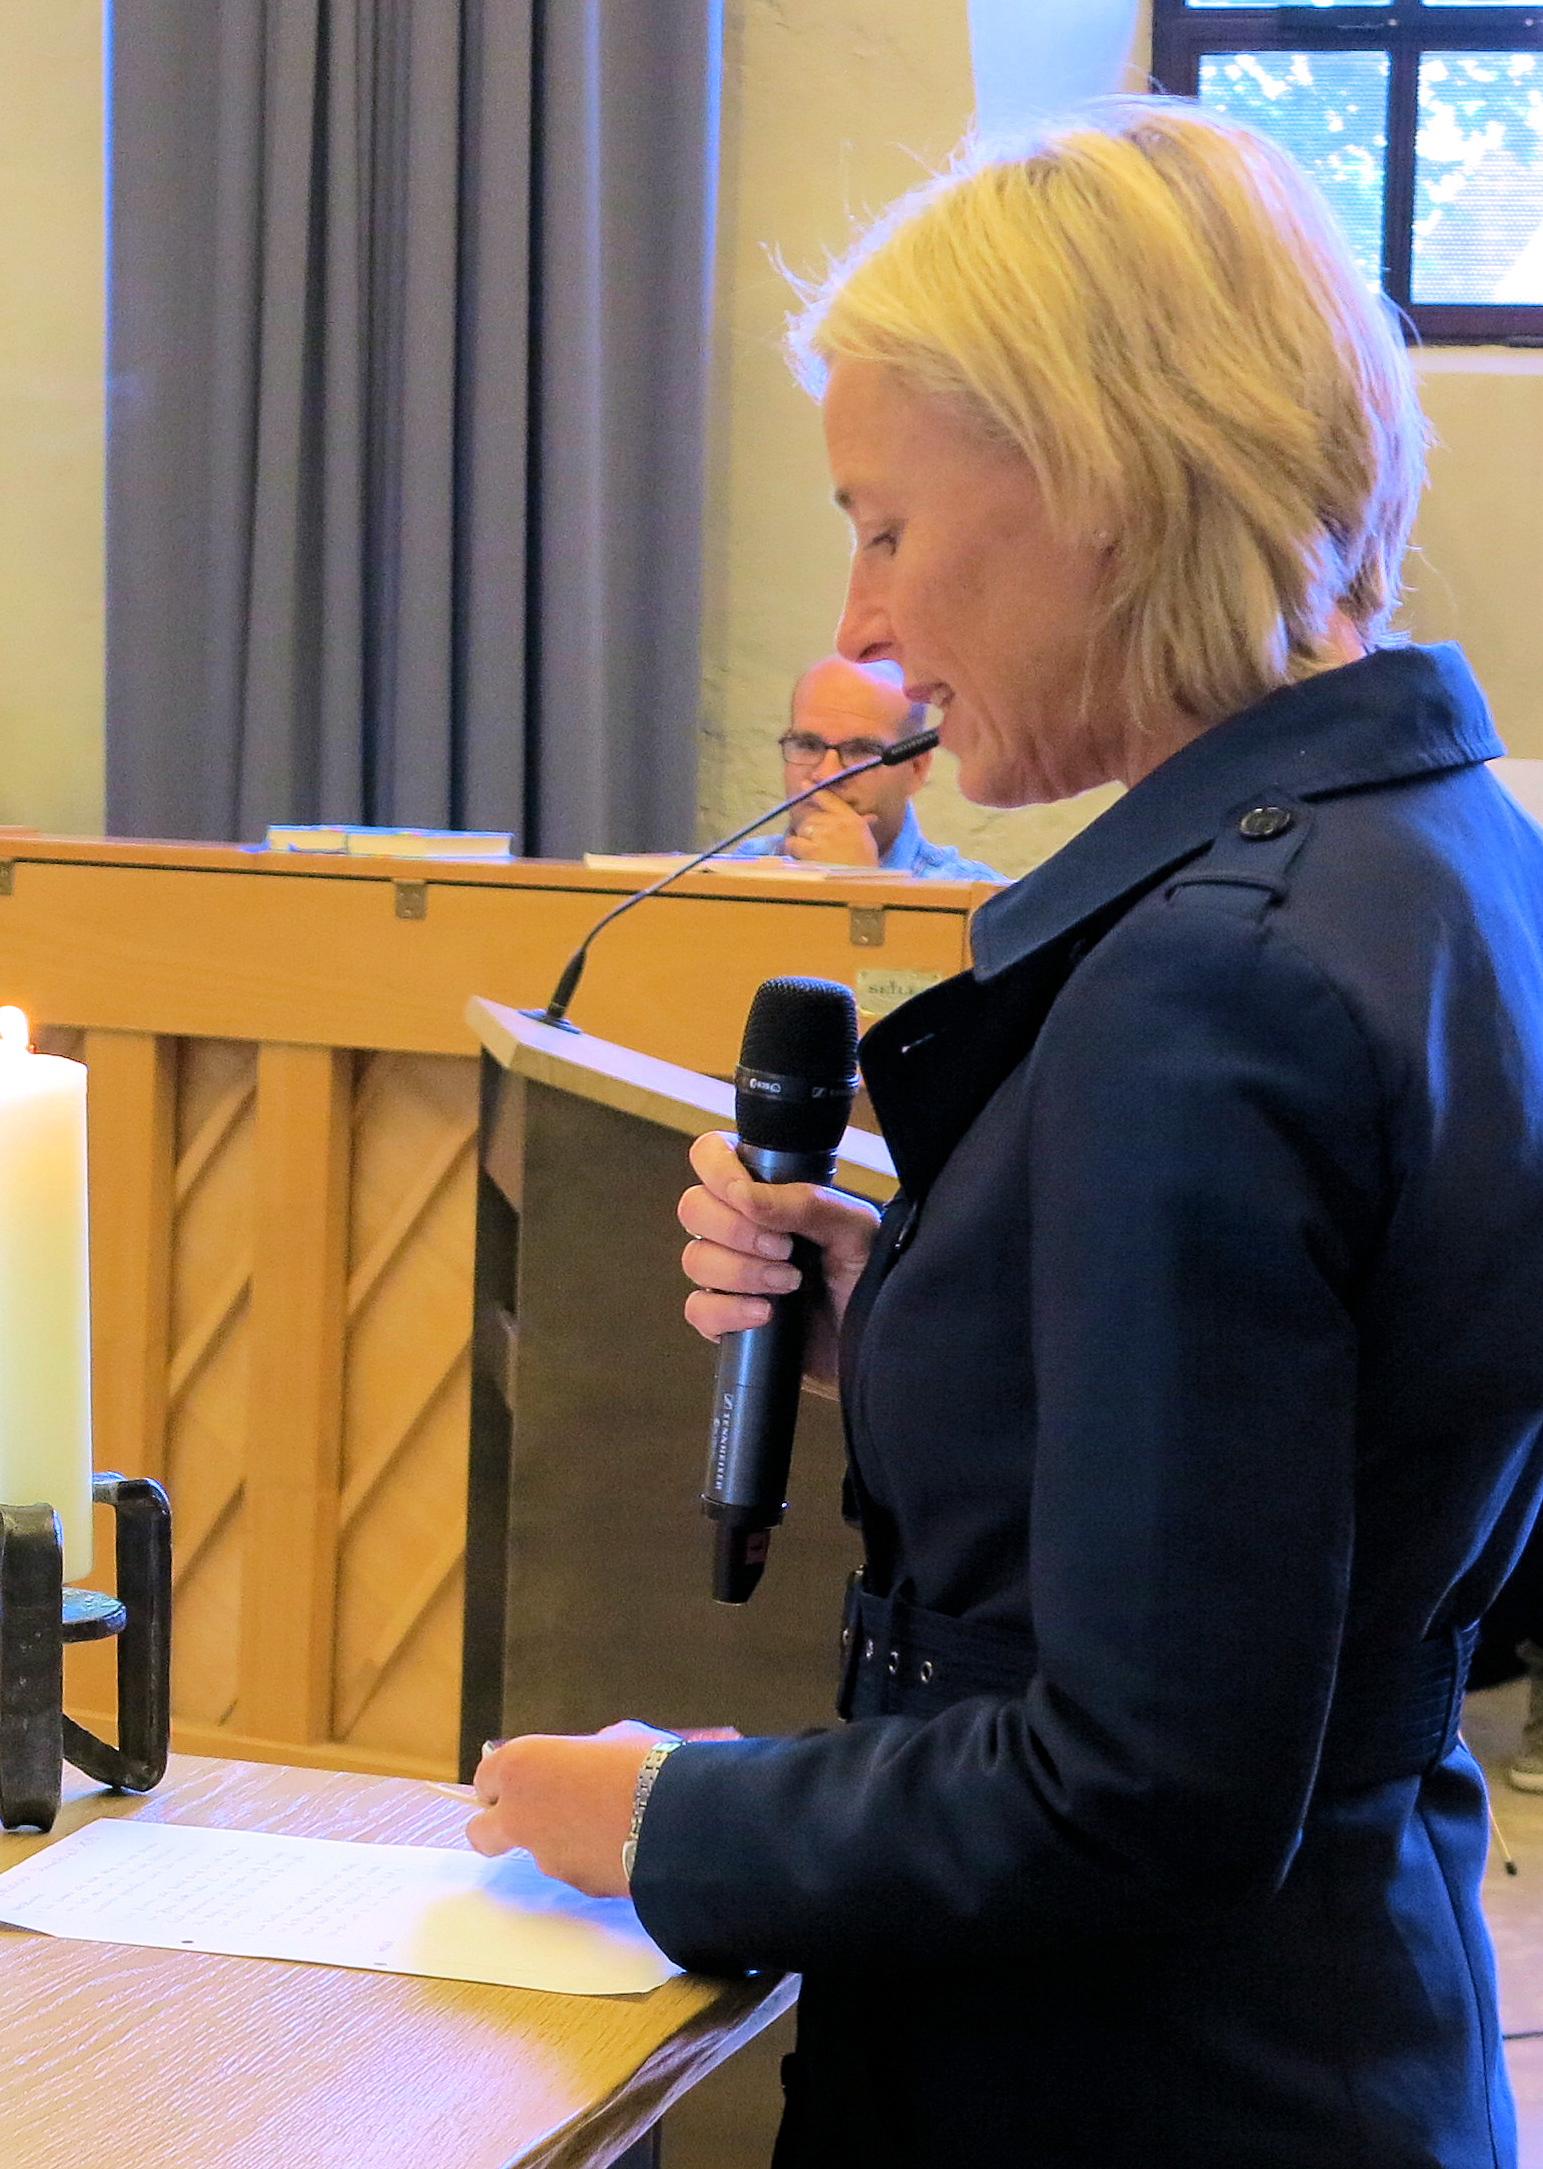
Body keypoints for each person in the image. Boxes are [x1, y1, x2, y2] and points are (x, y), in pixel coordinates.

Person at [460, 105, 1543, 2166]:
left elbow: (1135, 1782)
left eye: (878, 522)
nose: (856, 626)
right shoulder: (1440, 853)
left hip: (1125, 2085)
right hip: (1351, 2020)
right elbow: (1374, 1488)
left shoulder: (1206, 975)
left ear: (1099, 491)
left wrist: (674, 1819)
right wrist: (947, 1298)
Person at [719, 656, 1004, 879]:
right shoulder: (733, 872)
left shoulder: (976, 907)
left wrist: (861, 887)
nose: (826, 775)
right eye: (807, 745)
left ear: (916, 769)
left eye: (860, 752)